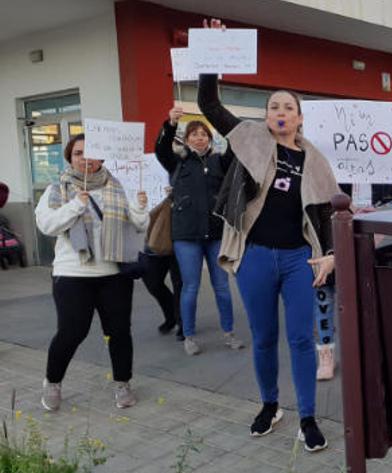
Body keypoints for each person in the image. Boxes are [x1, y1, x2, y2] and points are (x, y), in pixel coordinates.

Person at [198, 18, 339, 449]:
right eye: (274, 106)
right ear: (267, 115)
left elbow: (327, 212)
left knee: (301, 339)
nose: (280, 112)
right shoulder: (249, 140)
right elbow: (208, 103)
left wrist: (330, 254)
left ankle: (308, 417)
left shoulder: (315, 160)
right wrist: (212, 55)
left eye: (288, 107)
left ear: (299, 117)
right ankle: (269, 404)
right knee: (262, 338)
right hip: (256, 255)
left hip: (299, 259)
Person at [35, 133, 149, 411]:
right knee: (72, 332)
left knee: (120, 332)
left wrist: (141, 206)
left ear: (102, 157)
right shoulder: (56, 189)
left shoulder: (117, 186)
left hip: (113, 274)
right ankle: (53, 382)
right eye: (78, 153)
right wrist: (76, 205)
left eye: (91, 153)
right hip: (73, 274)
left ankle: (122, 383)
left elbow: (137, 224)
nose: (85, 159)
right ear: (69, 157)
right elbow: (47, 226)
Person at [155, 107, 243, 355]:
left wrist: (228, 124)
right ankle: (189, 335)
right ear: (187, 139)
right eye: (194, 134)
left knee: (222, 286)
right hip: (186, 235)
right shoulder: (177, 162)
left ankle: (229, 332)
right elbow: (161, 148)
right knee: (190, 286)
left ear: (210, 138)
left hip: (216, 234)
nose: (199, 138)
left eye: (203, 134)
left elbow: (235, 149)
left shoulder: (219, 161)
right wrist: (170, 123)